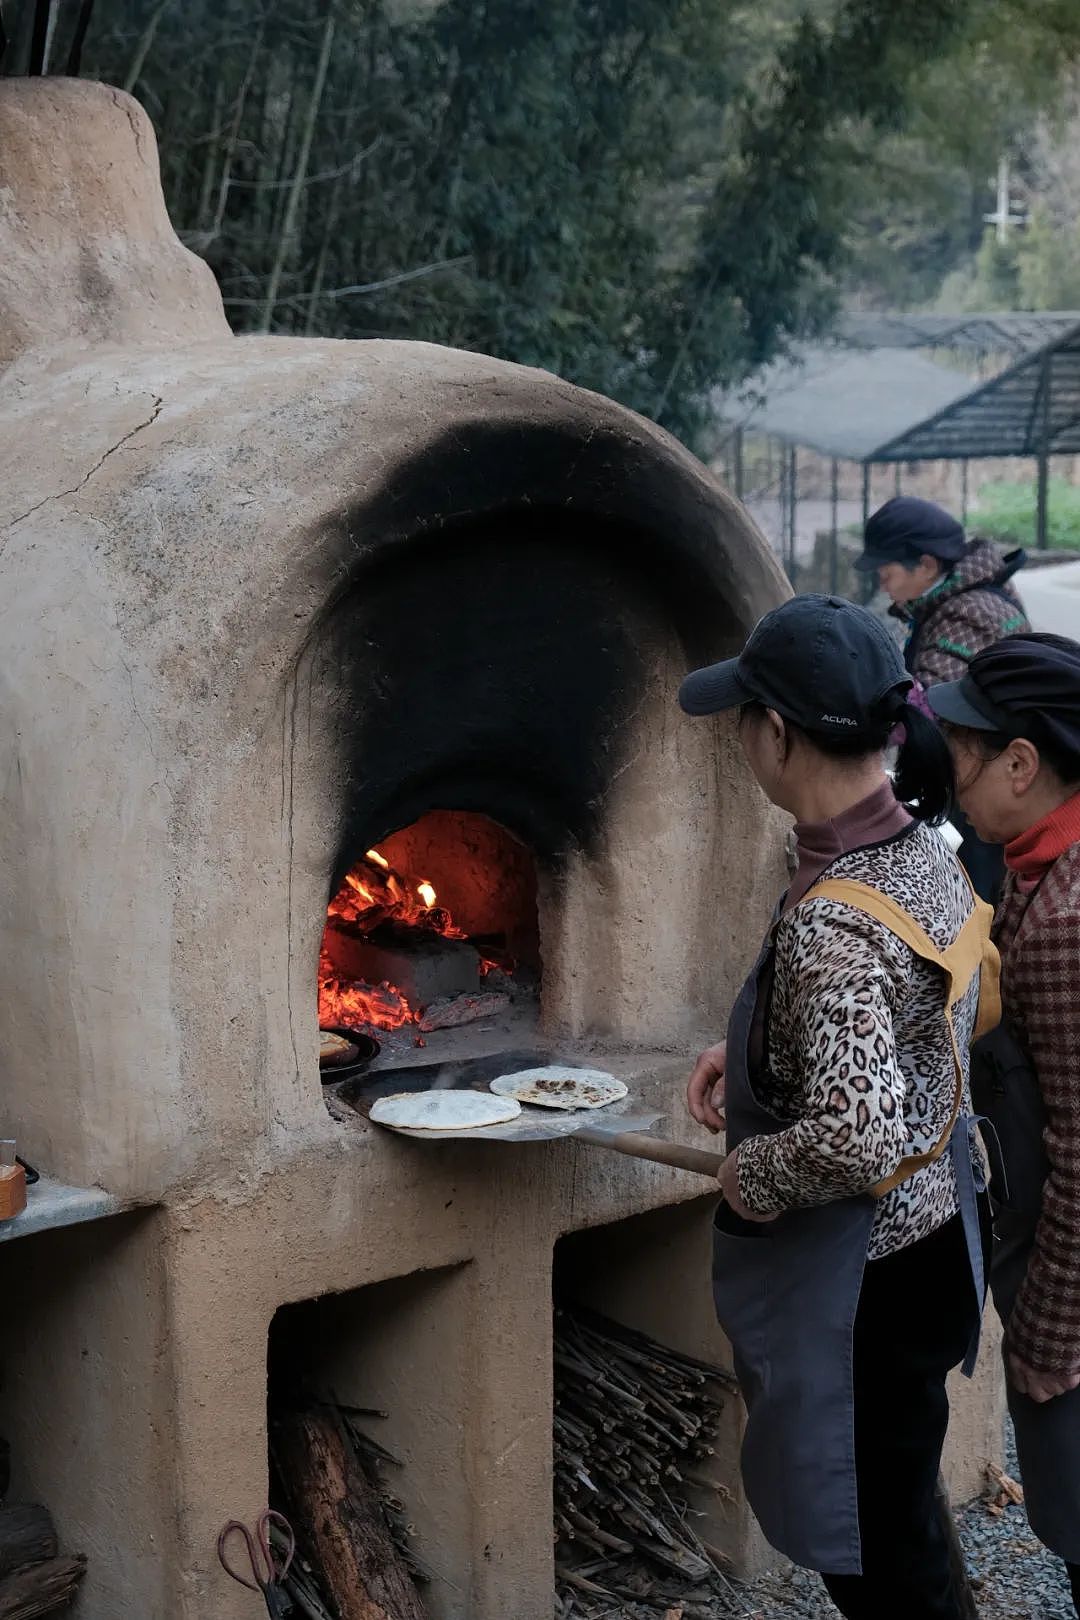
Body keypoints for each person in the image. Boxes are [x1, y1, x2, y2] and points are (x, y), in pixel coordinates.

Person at [680, 594, 998, 1620]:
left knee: (869, 1546)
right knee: (901, 1503)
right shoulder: (919, 852)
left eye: (744, 717)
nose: (739, 737)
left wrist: (753, 1172)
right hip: (944, 1230)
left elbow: (857, 1132)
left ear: (777, 734)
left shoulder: (835, 920)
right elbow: (904, 1034)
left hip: (865, 1279)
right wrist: (755, 1052)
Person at [928, 633, 1080, 1613]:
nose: (950, 774)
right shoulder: (1033, 861)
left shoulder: (1066, 918)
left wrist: (1048, 1339)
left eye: (962, 751)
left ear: (1020, 765)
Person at [855, 495, 1030, 902]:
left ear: (928, 564)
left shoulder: (969, 613)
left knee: (977, 897)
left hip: (996, 786)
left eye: (887, 570)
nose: (883, 582)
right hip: (987, 779)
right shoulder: (962, 599)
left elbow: (926, 709)